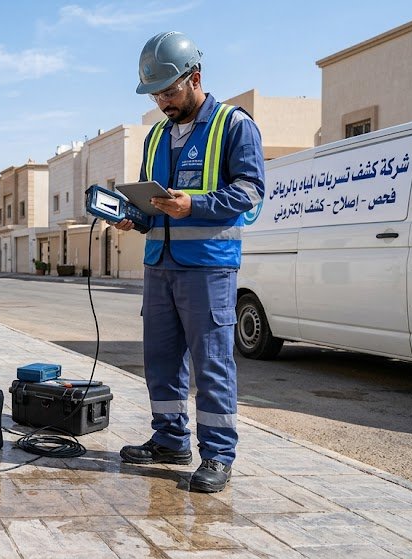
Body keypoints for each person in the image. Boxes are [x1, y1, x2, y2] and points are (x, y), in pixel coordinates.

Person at [114, 31, 264, 492]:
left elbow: (250, 192)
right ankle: (170, 440)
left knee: (212, 362)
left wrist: (192, 206)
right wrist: (132, 217)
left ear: (194, 77)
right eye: (156, 94)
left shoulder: (234, 125)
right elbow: (152, 203)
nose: (163, 101)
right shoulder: (157, 135)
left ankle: (218, 456)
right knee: (160, 360)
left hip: (208, 267)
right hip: (160, 264)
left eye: (170, 91)